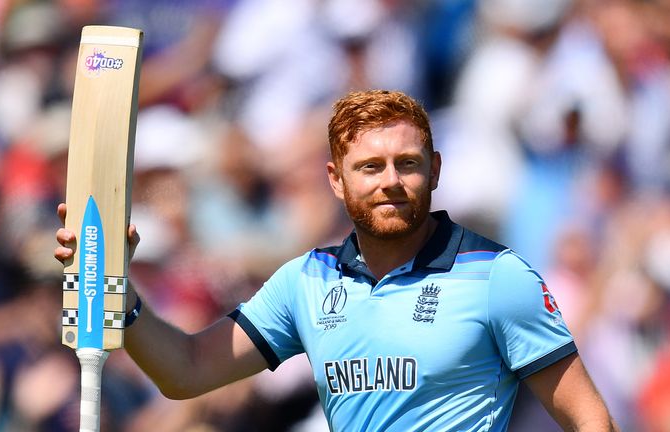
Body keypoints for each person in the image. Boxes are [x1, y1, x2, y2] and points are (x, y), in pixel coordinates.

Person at [55, 90, 618, 431]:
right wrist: (112, 288)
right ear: (336, 180)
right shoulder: (306, 280)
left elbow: (589, 417)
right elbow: (186, 371)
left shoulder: (498, 276)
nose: (391, 182)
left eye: (408, 163)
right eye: (370, 167)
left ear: (436, 170)